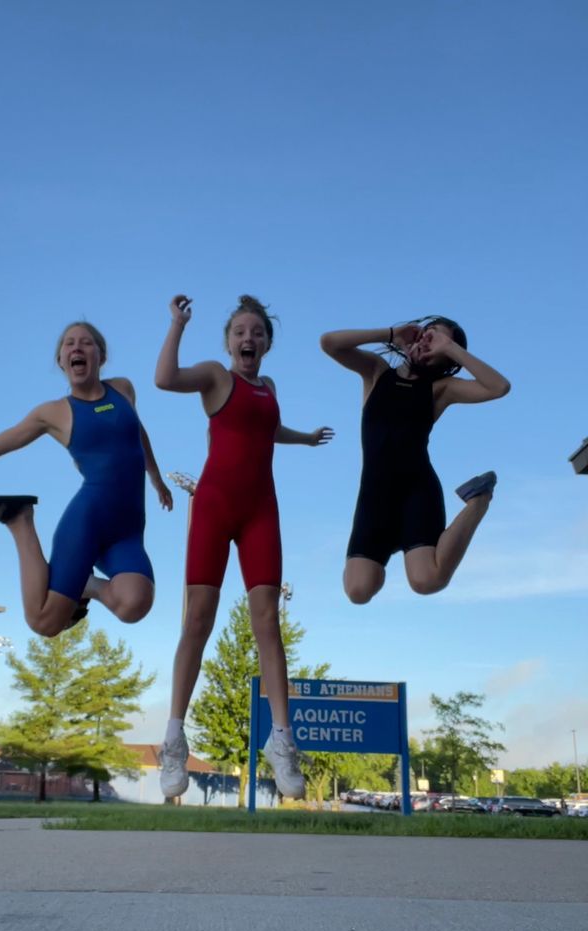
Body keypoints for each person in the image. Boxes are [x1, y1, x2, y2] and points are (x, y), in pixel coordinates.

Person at [155, 294, 333, 799]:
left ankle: (282, 741)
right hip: (213, 508)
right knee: (197, 621)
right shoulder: (216, 376)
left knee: (268, 622)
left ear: (268, 343)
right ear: (229, 342)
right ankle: (173, 738)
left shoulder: (269, 387)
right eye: (239, 332)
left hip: (262, 512)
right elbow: (165, 380)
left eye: (257, 332)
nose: (248, 338)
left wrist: (303, 438)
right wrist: (176, 325)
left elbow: (268, 429)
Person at [0, 321, 172, 636]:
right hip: (89, 521)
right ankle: (20, 521)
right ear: (61, 361)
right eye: (68, 343)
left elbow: (137, 432)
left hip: (128, 532)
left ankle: (87, 585)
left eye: (86, 342)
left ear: (100, 356)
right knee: (43, 622)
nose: (76, 347)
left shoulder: (123, 389)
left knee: (136, 604)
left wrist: (156, 478)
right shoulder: (53, 413)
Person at [320, 315, 510, 604]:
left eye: (438, 341)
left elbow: (499, 387)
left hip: (416, 492)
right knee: (358, 590)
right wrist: (391, 333)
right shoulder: (377, 372)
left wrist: (450, 348)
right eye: (428, 333)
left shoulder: (440, 389)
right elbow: (329, 343)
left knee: (427, 581)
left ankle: (479, 499)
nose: (428, 340)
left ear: (444, 359)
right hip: (374, 498)